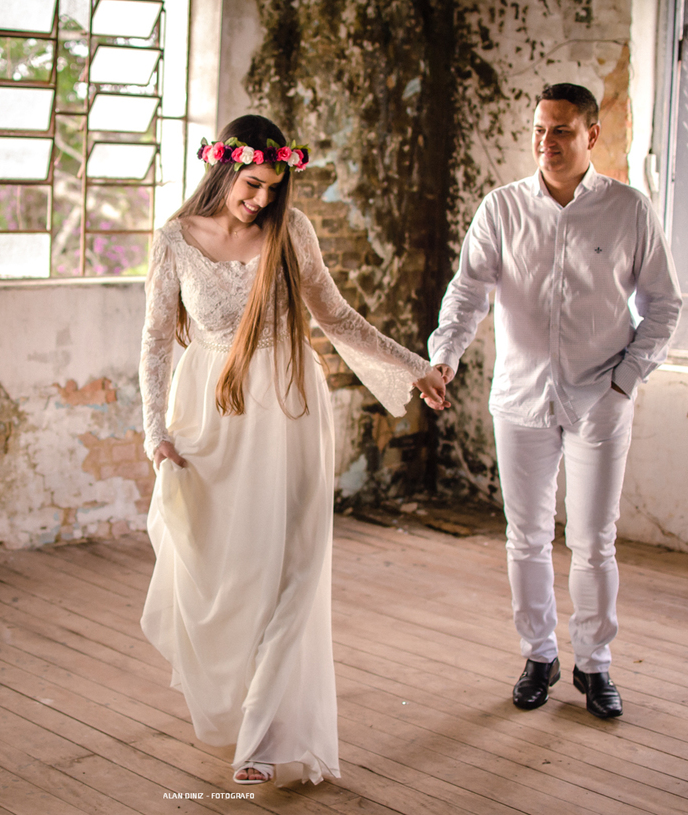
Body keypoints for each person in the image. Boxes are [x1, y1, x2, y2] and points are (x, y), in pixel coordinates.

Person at [139, 114, 448, 786]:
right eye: (252, 184)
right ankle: (238, 699)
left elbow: (335, 316)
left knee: (295, 569)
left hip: (289, 407)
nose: (261, 200)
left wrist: (413, 367)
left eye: (273, 188)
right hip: (212, 418)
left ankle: (266, 736)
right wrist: (154, 432)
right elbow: (157, 340)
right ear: (225, 170)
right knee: (230, 571)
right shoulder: (175, 241)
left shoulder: (290, 231)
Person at [425, 83, 682, 718]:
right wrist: (445, 354)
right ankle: (539, 655)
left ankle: (594, 667)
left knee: (595, 540)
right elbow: (468, 293)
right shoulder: (502, 209)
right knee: (527, 536)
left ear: (592, 135)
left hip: (601, 396)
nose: (547, 142)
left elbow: (664, 305)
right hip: (519, 398)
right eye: (540, 129)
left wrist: (626, 381)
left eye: (562, 130)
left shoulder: (629, 210)